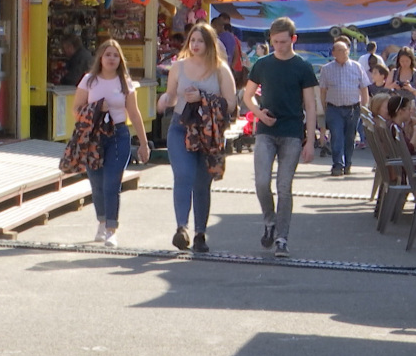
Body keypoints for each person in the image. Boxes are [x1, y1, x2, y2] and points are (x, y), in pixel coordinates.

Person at [157, 23, 236, 252]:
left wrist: (202, 97)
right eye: (192, 41)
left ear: (209, 44)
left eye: (200, 41)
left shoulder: (220, 69)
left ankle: (200, 233)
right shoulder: (178, 67)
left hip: (208, 132)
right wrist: (165, 100)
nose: (195, 45)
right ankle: (181, 228)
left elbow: (231, 104)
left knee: (202, 182)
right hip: (181, 127)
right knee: (184, 175)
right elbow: (172, 96)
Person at [243, 17, 317, 259]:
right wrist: (258, 114)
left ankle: (282, 238)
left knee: (284, 187)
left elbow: (310, 105)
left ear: (293, 39)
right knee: (261, 182)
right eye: (274, 42)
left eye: (283, 42)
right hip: (266, 130)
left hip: (292, 132)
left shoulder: (302, 67)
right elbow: (247, 96)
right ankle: (270, 221)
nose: (278, 46)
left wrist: (311, 141)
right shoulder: (263, 64)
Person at [73, 39, 150, 248]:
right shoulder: (89, 80)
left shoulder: (125, 82)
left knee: (111, 183)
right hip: (93, 137)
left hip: (118, 135)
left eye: (115, 55)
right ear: (100, 57)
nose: (111, 59)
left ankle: (111, 229)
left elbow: (134, 113)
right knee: (97, 183)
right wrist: (97, 108)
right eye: (108, 54)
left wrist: (143, 143)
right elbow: (76, 108)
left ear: (120, 60)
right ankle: (101, 220)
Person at [319, 40, 370, 177]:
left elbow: (364, 88)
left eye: (345, 50)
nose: (342, 53)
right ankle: (338, 164)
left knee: (350, 137)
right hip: (334, 108)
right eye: (339, 51)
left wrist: (364, 107)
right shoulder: (327, 69)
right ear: (334, 53)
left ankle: (348, 163)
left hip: (353, 108)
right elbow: (323, 90)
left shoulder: (357, 67)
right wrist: (324, 107)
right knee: (336, 136)